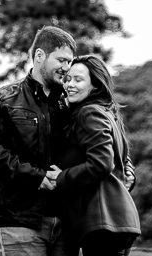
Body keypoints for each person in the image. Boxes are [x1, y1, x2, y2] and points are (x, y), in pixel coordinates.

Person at [0, 25, 77, 256]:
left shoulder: (72, 104)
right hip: (20, 220)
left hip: (68, 220)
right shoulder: (5, 100)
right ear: (40, 55)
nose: (67, 68)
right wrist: (37, 178)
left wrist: (127, 167)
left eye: (70, 62)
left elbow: (102, 135)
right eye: (61, 60)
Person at [53, 54, 141, 256]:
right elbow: (121, 159)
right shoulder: (107, 113)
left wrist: (60, 177)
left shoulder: (89, 113)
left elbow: (101, 164)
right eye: (68, 79)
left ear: (95, 86)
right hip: (116, 221)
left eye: (78, 79)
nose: (69, 85)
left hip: (104, 222)